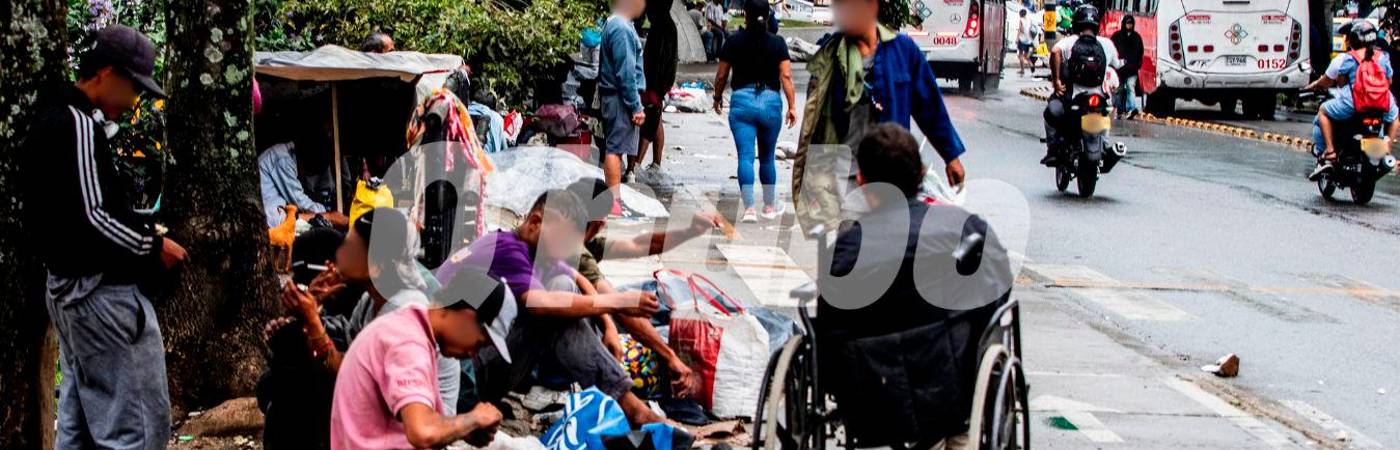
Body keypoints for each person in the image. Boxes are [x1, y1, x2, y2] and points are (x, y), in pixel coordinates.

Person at [20, 25, 187, 449]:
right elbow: (92, 217)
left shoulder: (56, 116)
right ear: (107, 74)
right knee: (135, 429)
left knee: (78, 422)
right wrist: (152, 245)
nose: (132, 102)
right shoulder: (75, 123)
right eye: (131, 88)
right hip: (97, 293)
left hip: (70, 294)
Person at [818, 124, 993, 449]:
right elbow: (993, 298)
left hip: (870, 398)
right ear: (921, 176)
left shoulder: (846, 249)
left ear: (862, 183)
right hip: (948, 386)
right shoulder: (963, 230)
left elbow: (830, 330)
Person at [435, 189, 667, 426]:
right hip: (460, 374)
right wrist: (618, 301)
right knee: (555, 316)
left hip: (477, 365)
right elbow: (540, 304)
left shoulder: (539, 249)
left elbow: (578, 278)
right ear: (536, 222)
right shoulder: (507, 248)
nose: (560, 255)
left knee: (564, 292)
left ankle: (623, 401)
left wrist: (608, 325)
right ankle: (628, 406)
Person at [790, 0, 968, 232]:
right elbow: (814, 122)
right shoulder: (831, 55)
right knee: (855, 249)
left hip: (891, 176)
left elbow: (930, 106)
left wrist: (951, 155)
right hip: (846, 178)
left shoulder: (903, 52)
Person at [275, 208, 463, 416]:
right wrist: (307, 312)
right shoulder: (371, 300)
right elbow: (347, 342)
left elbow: (352, 376)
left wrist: (312, 321)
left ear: (376, 266)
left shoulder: (401, 310)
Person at [566, 178, 721, 397]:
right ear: (598, 223)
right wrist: (670, 357)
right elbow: (619, 305)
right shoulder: (574, 250)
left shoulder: (578, 237)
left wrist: (690, 231)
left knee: (656, 298)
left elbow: (637, 245)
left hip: (579, 321)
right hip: (567, 337)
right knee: (662, 338)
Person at [329, 268, 515, 450]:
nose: (474, 354)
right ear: (467, 315)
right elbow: (422, 431)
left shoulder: (413, 325)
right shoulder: (407, 341)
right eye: (480, 344)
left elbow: (419, 419)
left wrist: (464, 430)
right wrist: (473, 418)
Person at [714, 0, 797, 223]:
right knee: (768, 158)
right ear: (768, 16)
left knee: (745, 157)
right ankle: (769, 207)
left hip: (741, 103)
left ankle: (749, 209)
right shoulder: (778, 43)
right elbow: (786, 76)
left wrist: (717, 97)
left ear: (745, 15)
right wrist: (792, 106)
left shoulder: (732, 42)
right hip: (770, 103)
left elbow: (721, 75)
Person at [1304, 19, 1400, 180]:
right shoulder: (1383, 57)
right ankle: (1387, 151)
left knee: (1323, 112)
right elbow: (1389, 81)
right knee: (1395, 116)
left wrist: (1313, 85)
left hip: (1354, 104)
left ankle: (1330, 152)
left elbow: (1338, 82)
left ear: (1353, 40)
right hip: (1382, 103)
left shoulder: (1347, 58)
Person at [1040, 4, 1120, 166]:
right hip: (1099, 96)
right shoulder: (1106, 44)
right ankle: (1104, 146)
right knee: (1105, 115)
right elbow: (1117, 64)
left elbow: (1055, 52)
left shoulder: (1070, 42)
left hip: (1075, 96)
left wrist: (1056, 81)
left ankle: (1053, 148)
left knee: (1051, 114)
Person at [600, 0, 648, 216]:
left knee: (615, 148)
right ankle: (613, 202)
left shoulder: (616, 24)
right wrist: (635, 106)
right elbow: (626, 73)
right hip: (620, 98)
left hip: (616, 97)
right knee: (615, 149)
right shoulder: (621, 28)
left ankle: (614, 201)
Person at [258, 121, 350, 228]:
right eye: (306, 172)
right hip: (270, 218)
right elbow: (299, 201)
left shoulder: (284, 155)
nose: (303, 176)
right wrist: (330, 215)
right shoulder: (283, 159)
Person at [632, 0, 680, 182]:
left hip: (654, 84)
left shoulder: (661, 28)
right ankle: (656, 163)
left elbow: (659, 60)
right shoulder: (666, 26)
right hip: (658, 84)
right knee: (656, 119)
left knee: (650, 122)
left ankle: (636, 163)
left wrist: (654, 85)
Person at [1110, 15, 1144, 119]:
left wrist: (1137, 65)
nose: (1129, 26)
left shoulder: (1137, 37)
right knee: (1119, 89)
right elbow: (1112, 51)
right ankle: (1119, 109)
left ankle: (1130, 109)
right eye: (1127, 23)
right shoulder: (1117, 36)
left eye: (1131, 24)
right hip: (1119, 69)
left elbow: (1140, 52)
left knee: (1130, 87)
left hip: (1132, 69)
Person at [1016, 8, 1037, 76]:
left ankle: (1022, 70)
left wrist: (1017, 38)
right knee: (1026, 56)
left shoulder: (1021, 20)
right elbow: (1031, 29)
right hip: (1029, 40)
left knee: (1021, 55)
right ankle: (1031, 65)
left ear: (1020, 14)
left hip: (1022, 39)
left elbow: (1021, 29)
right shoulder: (1029, 20)